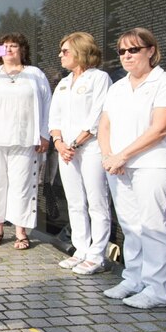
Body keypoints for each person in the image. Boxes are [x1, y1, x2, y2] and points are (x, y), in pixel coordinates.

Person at [98, 28, 166, 308]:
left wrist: (123, 155)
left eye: (133, 50)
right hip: (118, 166)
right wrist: (110, 156)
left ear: (150, 51)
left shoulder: (165, 82)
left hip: (151, 165)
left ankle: (157, 291)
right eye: (122, 51)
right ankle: (133, 279)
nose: (127, 56)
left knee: (153, 226)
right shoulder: (118, 86)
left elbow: (160, 128)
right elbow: (104, 125)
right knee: (131, 226)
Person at [0, 34, 51, 250]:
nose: (9, 49)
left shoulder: (35, 74)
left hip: (24, 139)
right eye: (5, 46)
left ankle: (21, 231)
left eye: (14, 46)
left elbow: (47, 105)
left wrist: (44, 134)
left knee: (21, 186)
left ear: (22, 50)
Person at [49, 32, 111, 275]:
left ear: (80, 51)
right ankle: (81, 249)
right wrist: (59, 142)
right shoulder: (64, 83)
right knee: (75, 202)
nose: (60, 55)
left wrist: (74, 143)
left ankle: (97, 254)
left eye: (65, 51)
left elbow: (98, 115)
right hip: (65, 151)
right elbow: (54, 117)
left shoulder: (99, 78)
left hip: (91, 149)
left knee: (97, 202)